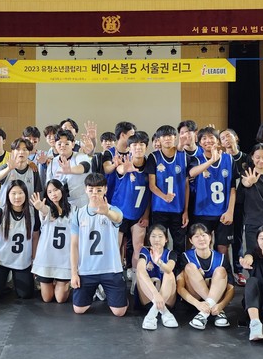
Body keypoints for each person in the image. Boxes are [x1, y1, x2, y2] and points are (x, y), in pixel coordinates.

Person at [70, 173, 127, 317]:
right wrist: (74, 273)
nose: (94, 193)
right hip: (87, 270)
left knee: (119, 312)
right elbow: (74, 245)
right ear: (85, 190)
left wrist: (107, 213)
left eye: (99, 190)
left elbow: (118, 218)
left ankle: (110, 292)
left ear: (105, 189)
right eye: (91, 190)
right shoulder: (78, 214)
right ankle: (96, 290)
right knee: (79, 309)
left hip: (111, 268)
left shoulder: (113, 210)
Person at [0, 180, 40, 300]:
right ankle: (3, 283)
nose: (17, 197)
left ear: (26, 194)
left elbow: (35, 236)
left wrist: (34, 259)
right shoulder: (1, 212)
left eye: (20, 193)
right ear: (8, 195)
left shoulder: (32, 212)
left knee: (26, 294)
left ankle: (13, 282)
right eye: (13, 193)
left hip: (22, 261)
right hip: (1, 260)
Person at [187, 127, 237, 257]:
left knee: (223, 248)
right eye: (204, 138)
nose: (208, 141)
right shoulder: (196, 159)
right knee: (203, 246)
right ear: (199, 143)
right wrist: (211, 161)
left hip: (223, 212)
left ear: (218, 141)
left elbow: (233, 188)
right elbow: (192, 173)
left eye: (211, 137)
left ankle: (224, 270)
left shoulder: (229, 159)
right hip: (202, 212)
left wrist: (230, 211)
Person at [177, 223, 235, 330]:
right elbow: (180, 288)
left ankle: (203, 314)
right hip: (195, 299)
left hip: (217, 301)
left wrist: (221, 305)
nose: (201, 239)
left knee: (220, 271)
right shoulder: (186, 257)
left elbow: (231, 288)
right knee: (190, 267)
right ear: (191, 240)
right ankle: (216, 311)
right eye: (196, 236)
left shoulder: (221, 258)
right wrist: (197, 304)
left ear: (210, 237)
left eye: (204, 235)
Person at [112, 131, 151, 288]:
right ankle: (113, 280)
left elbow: (150, 194)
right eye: (134, 145)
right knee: (115, 247)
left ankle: (136, 282)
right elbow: (120, 170)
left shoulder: (150, 167)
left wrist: (146, 215)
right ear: (129, 148)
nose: (138, 147)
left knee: (138, 247)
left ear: (146, 147)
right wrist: (124, 168)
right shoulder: (125, 165)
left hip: (138, 214)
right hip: (119, 214)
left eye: (141, 144)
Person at [146, 125, 191, 256]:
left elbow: (186, 185)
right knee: (159, 242)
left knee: (179, 243)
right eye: (164, 136)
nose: (167, 139)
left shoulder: (184, 156)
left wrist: (186, 210)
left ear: (175, 138)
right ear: (158, 139)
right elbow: (152, 185)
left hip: (178, 209)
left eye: (170, 136)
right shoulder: (153, 157)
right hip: (159, 209)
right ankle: (159, 265)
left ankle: (179, 267)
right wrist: (164, 196)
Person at [30, 180, 74, 303]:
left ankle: (63, 284)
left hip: (64, 258)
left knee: (60, 299)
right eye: (49, 192)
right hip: (47, 257)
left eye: (55, 190)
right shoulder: (47, 209)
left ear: (62, 190)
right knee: (47, 298)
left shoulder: (73, 209)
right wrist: (40, 207)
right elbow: (44, 210)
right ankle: (54, 283)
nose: (53, 194)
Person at [220, 128, 249, 286]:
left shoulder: (246, 158)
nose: (226, 139)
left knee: (238, 237)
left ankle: (238, 270)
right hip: (221, 204)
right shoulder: (220, 158)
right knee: (221, 240)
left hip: (240, 204)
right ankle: (222, 270)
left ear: (236, 137)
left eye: (228, 136)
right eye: (222, 138)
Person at [135, 225, 178, 330]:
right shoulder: (145, 251)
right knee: (140, 273)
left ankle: (151, 316)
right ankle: (165, 313)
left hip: (167, 300)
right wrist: (156, 295)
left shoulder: (171, 253)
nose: (157, 239)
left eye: (160, 236)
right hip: (148, 298)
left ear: (166, 239)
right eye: (153, 236)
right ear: (149, 238)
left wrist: (158, 262)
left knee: (169, 273)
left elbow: (169, 268)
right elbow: (140, 269)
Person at [46, 129, 92, 207]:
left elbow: (85, 166)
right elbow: (49, 185)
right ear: (55, 145)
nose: (62, 146)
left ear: (73, 144)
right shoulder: (52, 163)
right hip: (61, 203)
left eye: (67, 143)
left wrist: (70, 170)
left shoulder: (80, 156)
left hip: (81, 201)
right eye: (59, 143)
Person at [0, 137, 42, 202]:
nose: (21, 152)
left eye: (25, 149)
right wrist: (8, 169)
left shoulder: (33, 170)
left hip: (27, 207)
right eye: (18, 149)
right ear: (13, 152)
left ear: (29, 152)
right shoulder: (6, 167)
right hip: (5, 206)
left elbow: (37, 193)